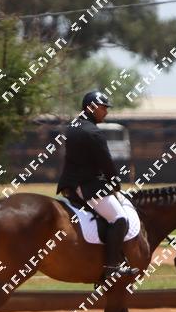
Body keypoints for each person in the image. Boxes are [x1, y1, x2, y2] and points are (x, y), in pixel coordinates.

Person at [57, 90, 138, 280]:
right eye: (103, 108)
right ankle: (112, 267)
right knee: (119, 219)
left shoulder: (73, 127)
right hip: (87, 187)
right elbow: (106, 163)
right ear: (91, 108)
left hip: (70, 185)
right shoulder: (93, 132)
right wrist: (115, 183)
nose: (106, 112)